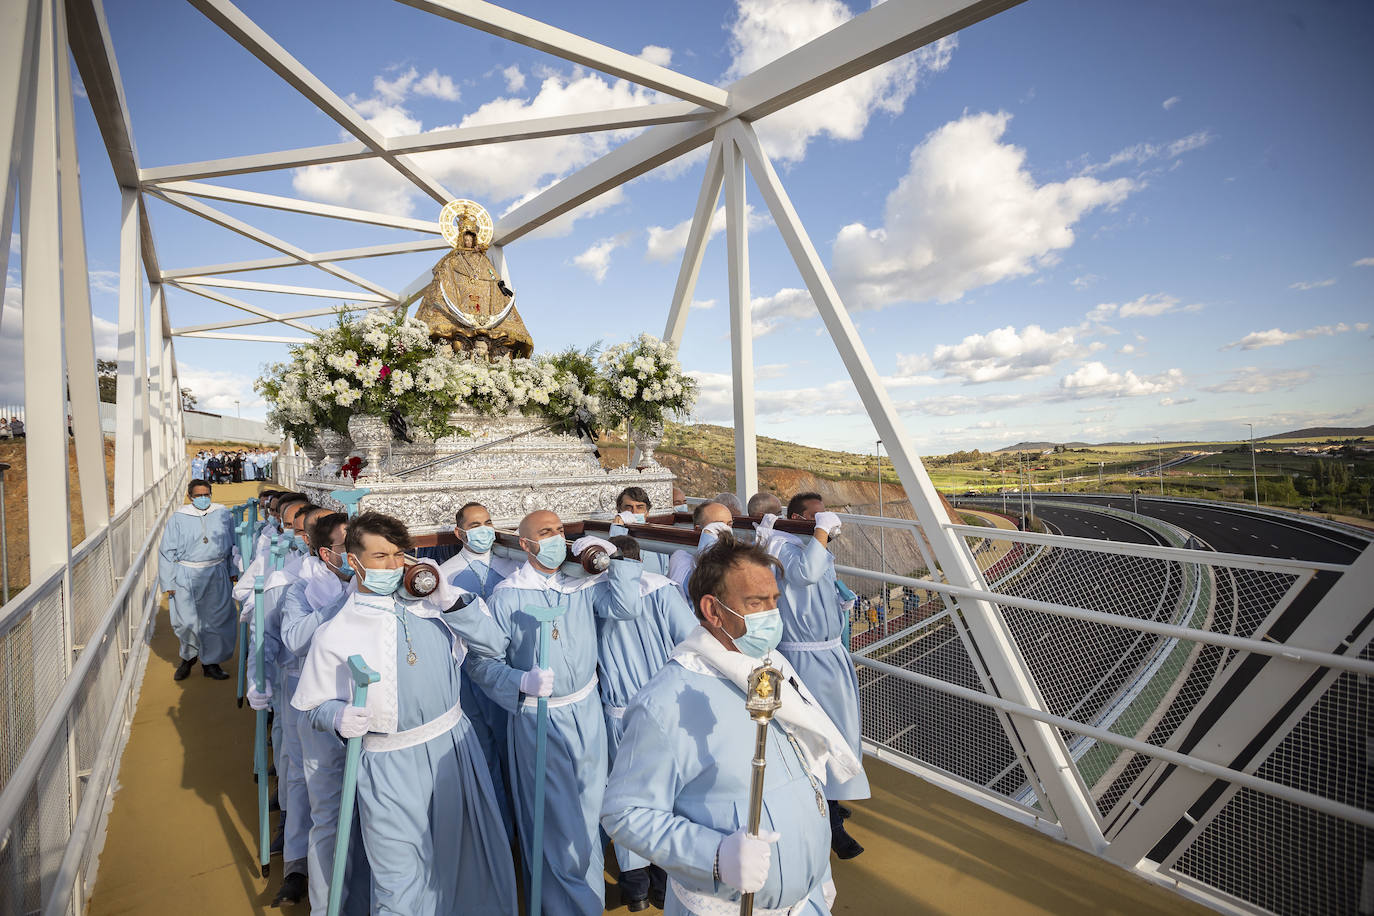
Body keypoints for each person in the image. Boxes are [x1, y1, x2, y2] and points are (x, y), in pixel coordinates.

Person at [602, 535, 863, 914]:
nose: (772, 615)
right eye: (756, 603)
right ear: (713, 609)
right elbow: (624, 813)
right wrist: (715, 856)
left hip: (807, 902)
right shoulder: (667, 701)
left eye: (774, 601)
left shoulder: (772, 667)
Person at [293, 511, 518, 916]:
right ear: (354, 561)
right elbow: (312, 704)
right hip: (388, 764)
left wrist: (450, 600)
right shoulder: (336, 630)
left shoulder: (432, 608)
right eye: (380, 557)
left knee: (463, 862)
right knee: (399, 880)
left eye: (399, 555)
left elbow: (492, 644)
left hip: (453, 750)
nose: (393, 566)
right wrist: (335, 717)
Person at [467, 510, 647, 916]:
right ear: (527, 545)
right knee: (554, 819)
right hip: (539, 718)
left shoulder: (578, 585)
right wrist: (518, 681)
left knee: (590, 812)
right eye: (545, 533)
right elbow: (480, 663)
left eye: (560, 531)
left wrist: (609, 555)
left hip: (587, 710)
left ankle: (588, 895)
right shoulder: (507, 596)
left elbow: (625, 606)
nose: (555, 538)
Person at [274, 511, 371, 914]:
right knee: (327, 813)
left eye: (356, 547)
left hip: (367, 710)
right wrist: (340, 604)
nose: (351, 555)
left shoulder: (369, 585)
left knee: (371, 809)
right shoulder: (301, 590)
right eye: (343, 547)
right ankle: (326, 903)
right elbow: (295, 639)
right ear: (322, 553)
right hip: (318, 712)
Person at [596, 534, 696, 910]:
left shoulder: (594, 594)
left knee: (622, 792)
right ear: (639, 560)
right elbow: (689, 642)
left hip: (615, 710)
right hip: (661, 707)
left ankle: (634, 881)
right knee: (669, 792)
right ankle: (661, 879)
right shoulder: (663, 592)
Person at [772, 492, 870, 858]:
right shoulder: (784, 548)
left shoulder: (805, 546)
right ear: (797, 518)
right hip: (807, 662)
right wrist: (821, 534)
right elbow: (806, 575)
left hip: (829, 655)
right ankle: (831, 826)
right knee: (819, 738)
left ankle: (833, 796)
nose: (825, 524)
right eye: (817, 517)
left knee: (842, 734)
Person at [438, 500, 521, 837]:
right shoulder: (446, 575)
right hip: (468, 675)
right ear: (460, 533)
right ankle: (500, 829)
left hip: (509, 670)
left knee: (512, 749)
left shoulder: (511, 567)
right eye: (475, 525)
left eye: (487, 522)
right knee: (484, 754)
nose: (484, 529)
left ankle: (521, 819)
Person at [157, 479, 237, 680]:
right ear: (190, 496)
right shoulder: (178, 518)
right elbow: (167, 551)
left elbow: (233, 544)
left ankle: (211, 663)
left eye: (206, 494)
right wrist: (169, 582)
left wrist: (232, 569)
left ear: (211, 494)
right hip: (186, 574)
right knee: (186, 622)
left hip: (217, 572)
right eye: (198, 495)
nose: (203, 499)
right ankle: (189, 657)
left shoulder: (223, 513)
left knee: (216, 621)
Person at [667, 501, 734, 600]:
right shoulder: (680, 558)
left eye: (729, 525)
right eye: (718, 526)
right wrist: (708, 539)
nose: (726, 530)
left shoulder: (737, 552)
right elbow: (705, 587)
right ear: (698, 529)